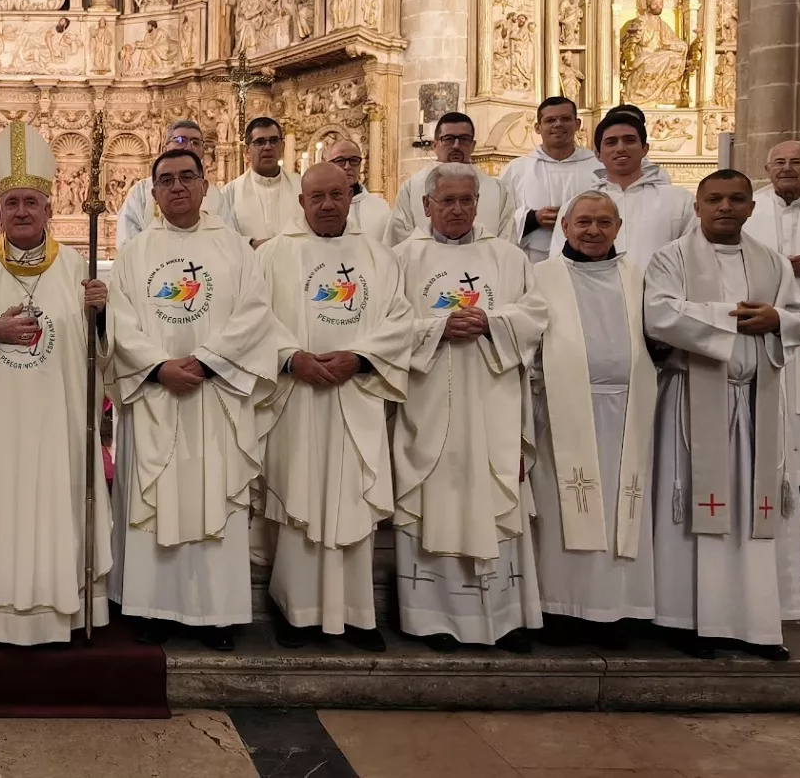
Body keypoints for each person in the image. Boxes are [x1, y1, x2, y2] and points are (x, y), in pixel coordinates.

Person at [0, 121, 112, 648]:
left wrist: (102, 315)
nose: (21, 212)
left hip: (56, 425)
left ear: (49, 207)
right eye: (11, 202)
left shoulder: (78, 266)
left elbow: (100, 349)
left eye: (31, 201)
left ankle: (59, 609)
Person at [107, 148, 281, 650]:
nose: (178, 186)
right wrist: (159, 367)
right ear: (153, 192)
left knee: (213, 495)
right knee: (154, 501)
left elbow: (255, 313)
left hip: (215, 396)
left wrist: (205, 362)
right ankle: (151, 607)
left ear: (206, 186)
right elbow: (118, 320)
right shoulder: (136, 252)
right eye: (166, 180)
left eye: (187, 177)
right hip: (156, 395)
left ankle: (216, 613)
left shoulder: (234, 248)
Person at [645, 169, 800, 660]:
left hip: (758, 399)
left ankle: (756, 624)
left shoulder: (775, 264)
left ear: (751, 207)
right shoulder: (670, 258)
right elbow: (658, 314)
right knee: (695, 509)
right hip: (692, 400)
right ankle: (688, 621)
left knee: (754, 513)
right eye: (714, 199)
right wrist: (733, 319)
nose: (725, 207)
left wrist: (778, 319)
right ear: (697, 206)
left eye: (736, 199)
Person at [392, 163, 548, 652]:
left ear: (478, 204)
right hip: (428, 399)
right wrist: (438, 328)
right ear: (426, 206)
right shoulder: (399, 259)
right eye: (447, 201)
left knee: (492, 489)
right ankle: (432, 618)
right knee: (436, 498)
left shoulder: (507, 256)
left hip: (491, 397)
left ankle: (505, 618)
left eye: (466, 200)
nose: (457, 209)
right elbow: (386, 327)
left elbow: (535, 313)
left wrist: (491, 322)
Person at [257, 163, 412, 653]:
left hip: (355, 396)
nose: (326, 204)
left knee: (352, 500)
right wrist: (290, 357)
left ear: (352, 196)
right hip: (296, 398)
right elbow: (252, 318)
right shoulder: (273, 255)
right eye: (316, 196)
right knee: (298, 496)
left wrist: (361, 357)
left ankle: (358, 614)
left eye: (336, 194)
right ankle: (293, 610)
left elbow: (400, 319)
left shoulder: (378, 257)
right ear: (301, 203)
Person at [528, 191, 657, 649]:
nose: (593, 231)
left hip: (627, 413)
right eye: (583, 222)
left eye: (604, 222)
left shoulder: (638, 276)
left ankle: (620, 610)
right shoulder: (540, 276)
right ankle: (561, 611)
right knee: (562, 510)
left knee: (623, 509)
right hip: (561, 413)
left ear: (619, 228)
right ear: (564, 226)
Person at [743, 142, 800, 488]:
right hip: (764, 317)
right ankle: (770, 476)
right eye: (779, 162)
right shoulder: (749, 207)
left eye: (796, 162)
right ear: (766, 168)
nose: (787, 168)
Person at [545, 113, 694, 262]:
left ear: (644, 149)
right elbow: (560, 262)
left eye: (629, 141)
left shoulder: (680, 200)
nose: (621, 148)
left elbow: (694, 256)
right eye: (611, 142)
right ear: (598, 154)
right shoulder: (576, 205)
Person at [386, 112, 518, 247]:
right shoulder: (412, 187)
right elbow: (400, 240)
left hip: (485, 265)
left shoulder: (496, 190)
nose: (456, 145)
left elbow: (507, 241)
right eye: (448, 139)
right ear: (435, 145)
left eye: (464, 139)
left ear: (472, 145)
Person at [500, 96, 598, 262]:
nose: (558, 124)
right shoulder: (517, 169)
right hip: (532, 260)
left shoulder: (598, 167)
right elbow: (500, 218)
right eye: (550, 120)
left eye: (565, 119)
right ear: (538, 128)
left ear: (577, 124)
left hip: (587, 260)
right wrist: (533, 218)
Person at [117, 119, 239, 249]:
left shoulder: (215, 195)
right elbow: (128, 241)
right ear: (165, 148)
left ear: (202, 152)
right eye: (181, 140)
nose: (189, 146)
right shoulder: (141, 191)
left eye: (195, 142)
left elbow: (228, 240)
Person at [221, 117, 301, 247]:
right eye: (260, 142)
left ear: (282, 146)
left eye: (274, 141)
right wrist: (252, 244)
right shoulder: (229, 193)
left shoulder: (301, 186)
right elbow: (224, 239)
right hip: (250, 264)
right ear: (247, 151)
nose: (268, 147)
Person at [323, 139, 390, 236]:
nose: (347, 166)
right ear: (328, 165)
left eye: (354, 160)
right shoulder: (321, 208)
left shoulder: (381, 207)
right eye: (340, 160)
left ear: (361, 164)